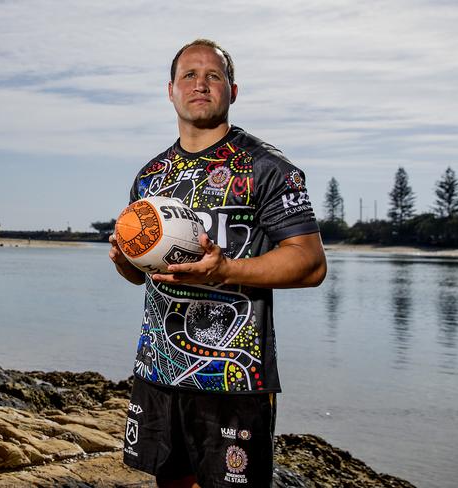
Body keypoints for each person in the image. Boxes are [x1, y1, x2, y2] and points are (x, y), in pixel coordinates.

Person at [109, 39, 326, 488]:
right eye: (189, 75)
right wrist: (124, 259)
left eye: (214, 75)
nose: (200, 84)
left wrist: (225, 269)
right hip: (159, 368)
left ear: (233, 90)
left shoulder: (266, 167)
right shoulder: (151, 176)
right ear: (170, 90)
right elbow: (139, 277)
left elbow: (310, 264)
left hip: (235, 380)